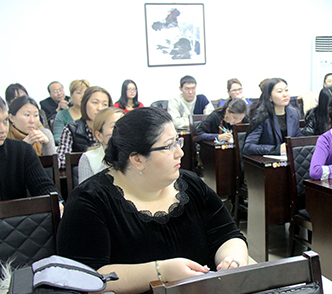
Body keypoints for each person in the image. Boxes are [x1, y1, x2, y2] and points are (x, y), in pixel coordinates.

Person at [57, 107, 248, 293]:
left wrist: (233, 261)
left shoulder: (191, 184)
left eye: (177, 142)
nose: (179, 153)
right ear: (137, 159)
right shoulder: (89, 201)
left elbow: (229, 235)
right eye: (168, 146)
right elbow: (85, 277)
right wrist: (161, 272)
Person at [0, 91, 61, 204]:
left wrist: (58, 203)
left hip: (20, 220)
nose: (3, 129)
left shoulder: (23, 150)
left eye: (5, 121)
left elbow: (43, 186)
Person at [57, 86, 112, 169]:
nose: (99, 108)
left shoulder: (113, 130)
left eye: (105, 104)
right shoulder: (71, 129)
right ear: (84, 104)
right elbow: (62, 162)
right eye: (95, 102)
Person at [243, 78, 301, 155]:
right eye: (280, 91)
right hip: (268, 162)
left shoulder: (294, 113)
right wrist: (277, 149)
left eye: (286, 90)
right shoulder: (262, 116)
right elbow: (248, 147)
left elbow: (298, 139)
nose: (285, 94)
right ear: (270, 97)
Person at [78, 107, 125, 183]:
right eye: (114, 126)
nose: (121, 130)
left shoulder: (135, 155)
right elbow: (85, 192)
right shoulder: (88, 158)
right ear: (99, 135)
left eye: (123, 125)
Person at [53, 79, 90, 144]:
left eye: (85, 93)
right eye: (79, 93)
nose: (82, 96)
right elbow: (57, 138)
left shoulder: (93, 113)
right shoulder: (62, 114)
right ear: (71, 95)